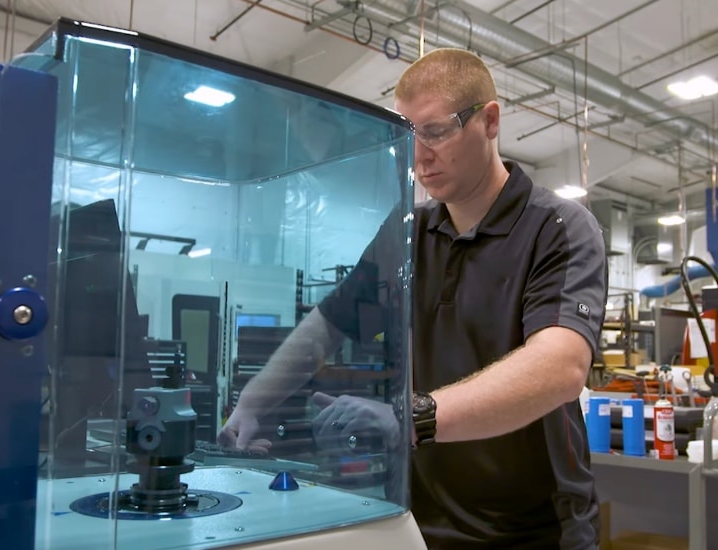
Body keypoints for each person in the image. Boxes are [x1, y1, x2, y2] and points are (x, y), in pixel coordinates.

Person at [219, 47, 607, 548]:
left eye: (436, 131)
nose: (419, 154)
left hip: (536, 530)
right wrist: (251, 404)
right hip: (421, 521)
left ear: (489, 121)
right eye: (407, 134)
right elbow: (329, 324)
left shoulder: (557, 227)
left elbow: (560, 368)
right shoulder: (408, 232)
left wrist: (412, 417)